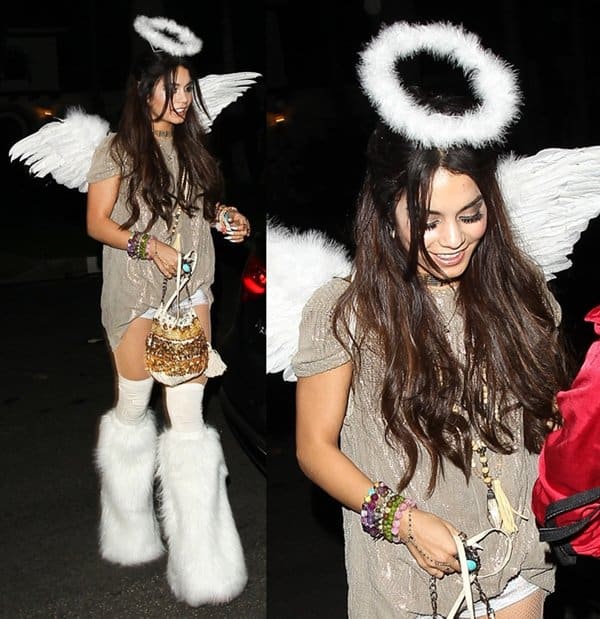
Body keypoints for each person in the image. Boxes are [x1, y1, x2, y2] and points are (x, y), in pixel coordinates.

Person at [290, 22, 574, 619]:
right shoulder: (345, 311)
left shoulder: (525, 295)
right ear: (385, 207)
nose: (451, 240)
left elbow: (550, 419)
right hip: (408, 578)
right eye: (427, 219)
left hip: (515, 557)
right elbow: (315, 448)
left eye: (470, 216)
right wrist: (400, 519)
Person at [84, 17, 255, 607]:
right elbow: (97, 222)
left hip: (191, 291)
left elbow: (202, 208)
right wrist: (145, 244)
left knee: (188, 421)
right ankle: (130, 528)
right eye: (173, 88)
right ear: (144, 88)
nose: (183, 101)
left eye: (189, 90)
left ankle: (202, 564)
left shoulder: (193, 145)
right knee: (133, 409)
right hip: (135, 293)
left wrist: (227, 219)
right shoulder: (117, 148)